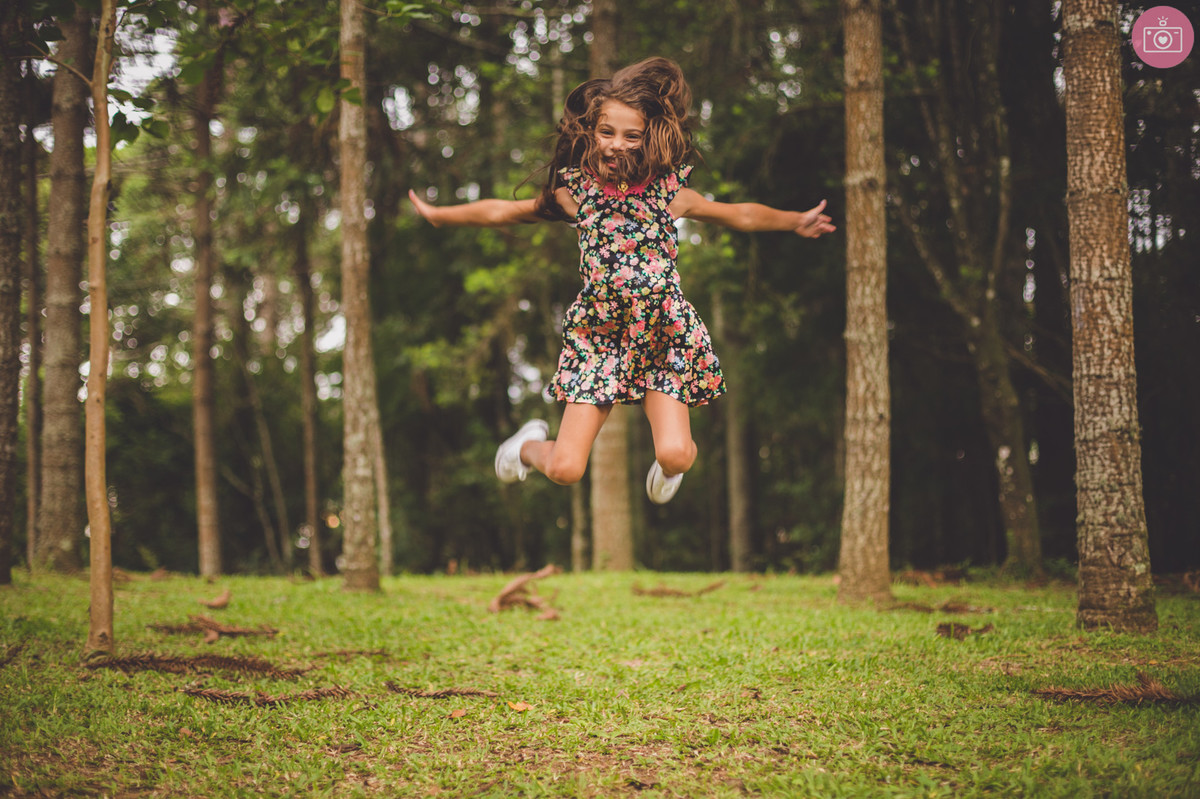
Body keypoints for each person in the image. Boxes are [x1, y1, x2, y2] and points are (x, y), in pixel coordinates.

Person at [409, 57, 835, 504]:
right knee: (565, 470)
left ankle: (671, 468)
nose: (617, 145)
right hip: (601, 335)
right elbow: (503, 210)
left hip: (663, 332)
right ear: (590, 131)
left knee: (675, 455)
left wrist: (794, 221)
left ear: (649, 137)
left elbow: (740, 214)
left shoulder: (669, 194)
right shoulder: (576, 195)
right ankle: (528, 447)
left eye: (632, 136)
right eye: (607, 132)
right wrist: (442, 215)